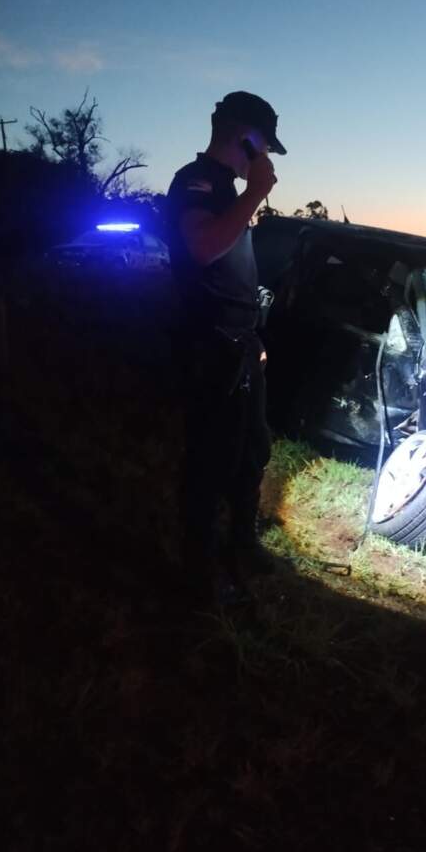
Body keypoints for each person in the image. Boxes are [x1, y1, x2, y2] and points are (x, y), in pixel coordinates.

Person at [165, 91, 285, 604]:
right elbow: (201, 247)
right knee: (210, 458)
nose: (267, 157)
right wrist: (254, 194)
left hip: (241, 341)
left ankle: (241, 541)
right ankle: (197, 572)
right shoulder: (198, 182)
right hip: (210, 342)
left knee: (252, 447)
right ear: (244, 135)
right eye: (264, 145)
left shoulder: (225, 189)